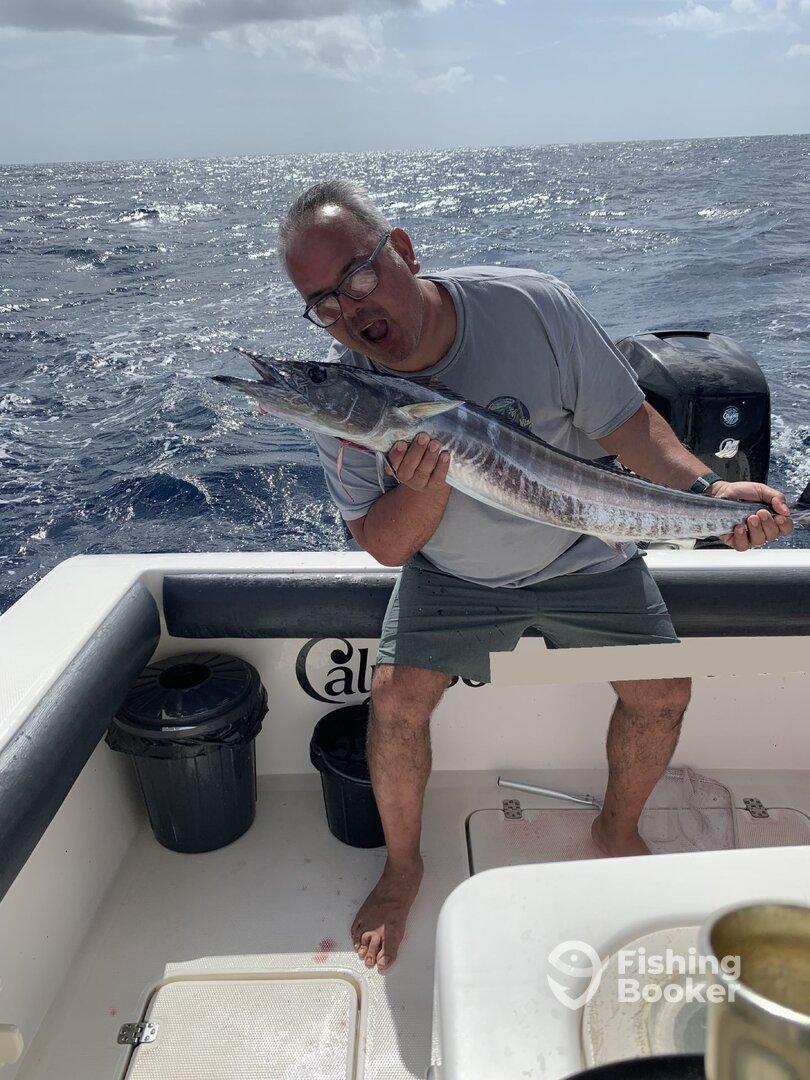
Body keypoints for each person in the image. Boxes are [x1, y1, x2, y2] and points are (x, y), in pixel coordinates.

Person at [278, 180, 794, 973]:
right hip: (454, 572)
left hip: (585, 552)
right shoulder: (344, 405)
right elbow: (385, 546)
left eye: (357, 276)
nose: (348, 310)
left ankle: (614, 830)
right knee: (393, 701)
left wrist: (709, 495)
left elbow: (630, 426)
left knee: (663, 691)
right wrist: (426, 488)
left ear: (404, 251)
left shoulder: (532, 307)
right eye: (322, 303)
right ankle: (406, 866)